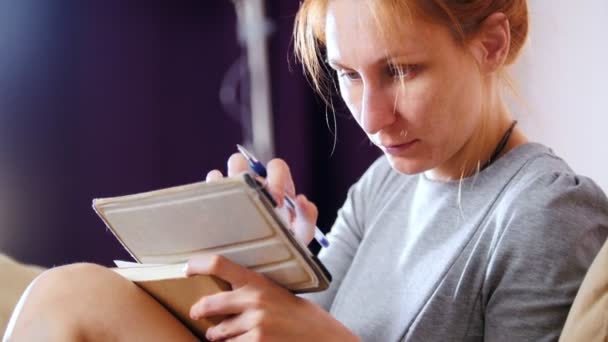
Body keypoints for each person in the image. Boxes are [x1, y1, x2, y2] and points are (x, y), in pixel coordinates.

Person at [4, 0, 608, 341]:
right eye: (348, 75)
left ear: (493, 43)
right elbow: (303, 324)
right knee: (72, 292)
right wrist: (263, 257)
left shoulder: (547, 211)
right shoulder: (387, 184)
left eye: (401, 71)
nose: (371, 117)